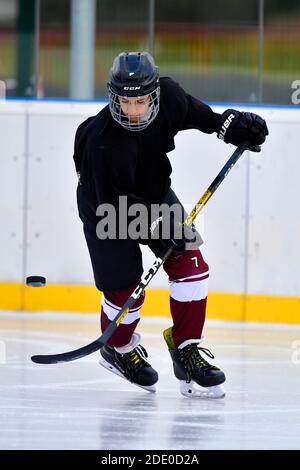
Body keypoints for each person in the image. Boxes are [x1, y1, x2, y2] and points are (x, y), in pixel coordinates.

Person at [73, 52, 268, 398]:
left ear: (154, 95)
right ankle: (116, 350)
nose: (133, 110)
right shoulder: (100, 143)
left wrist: (234, 125)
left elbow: (204, 117)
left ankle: (186, 350)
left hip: (154, 192)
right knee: (126, 290)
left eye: (141, 101)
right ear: (113, 98)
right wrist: (161, 226)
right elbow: (114, 211)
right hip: (105, 208)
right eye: (125, 101)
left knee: (191, 263)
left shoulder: (171, 99)